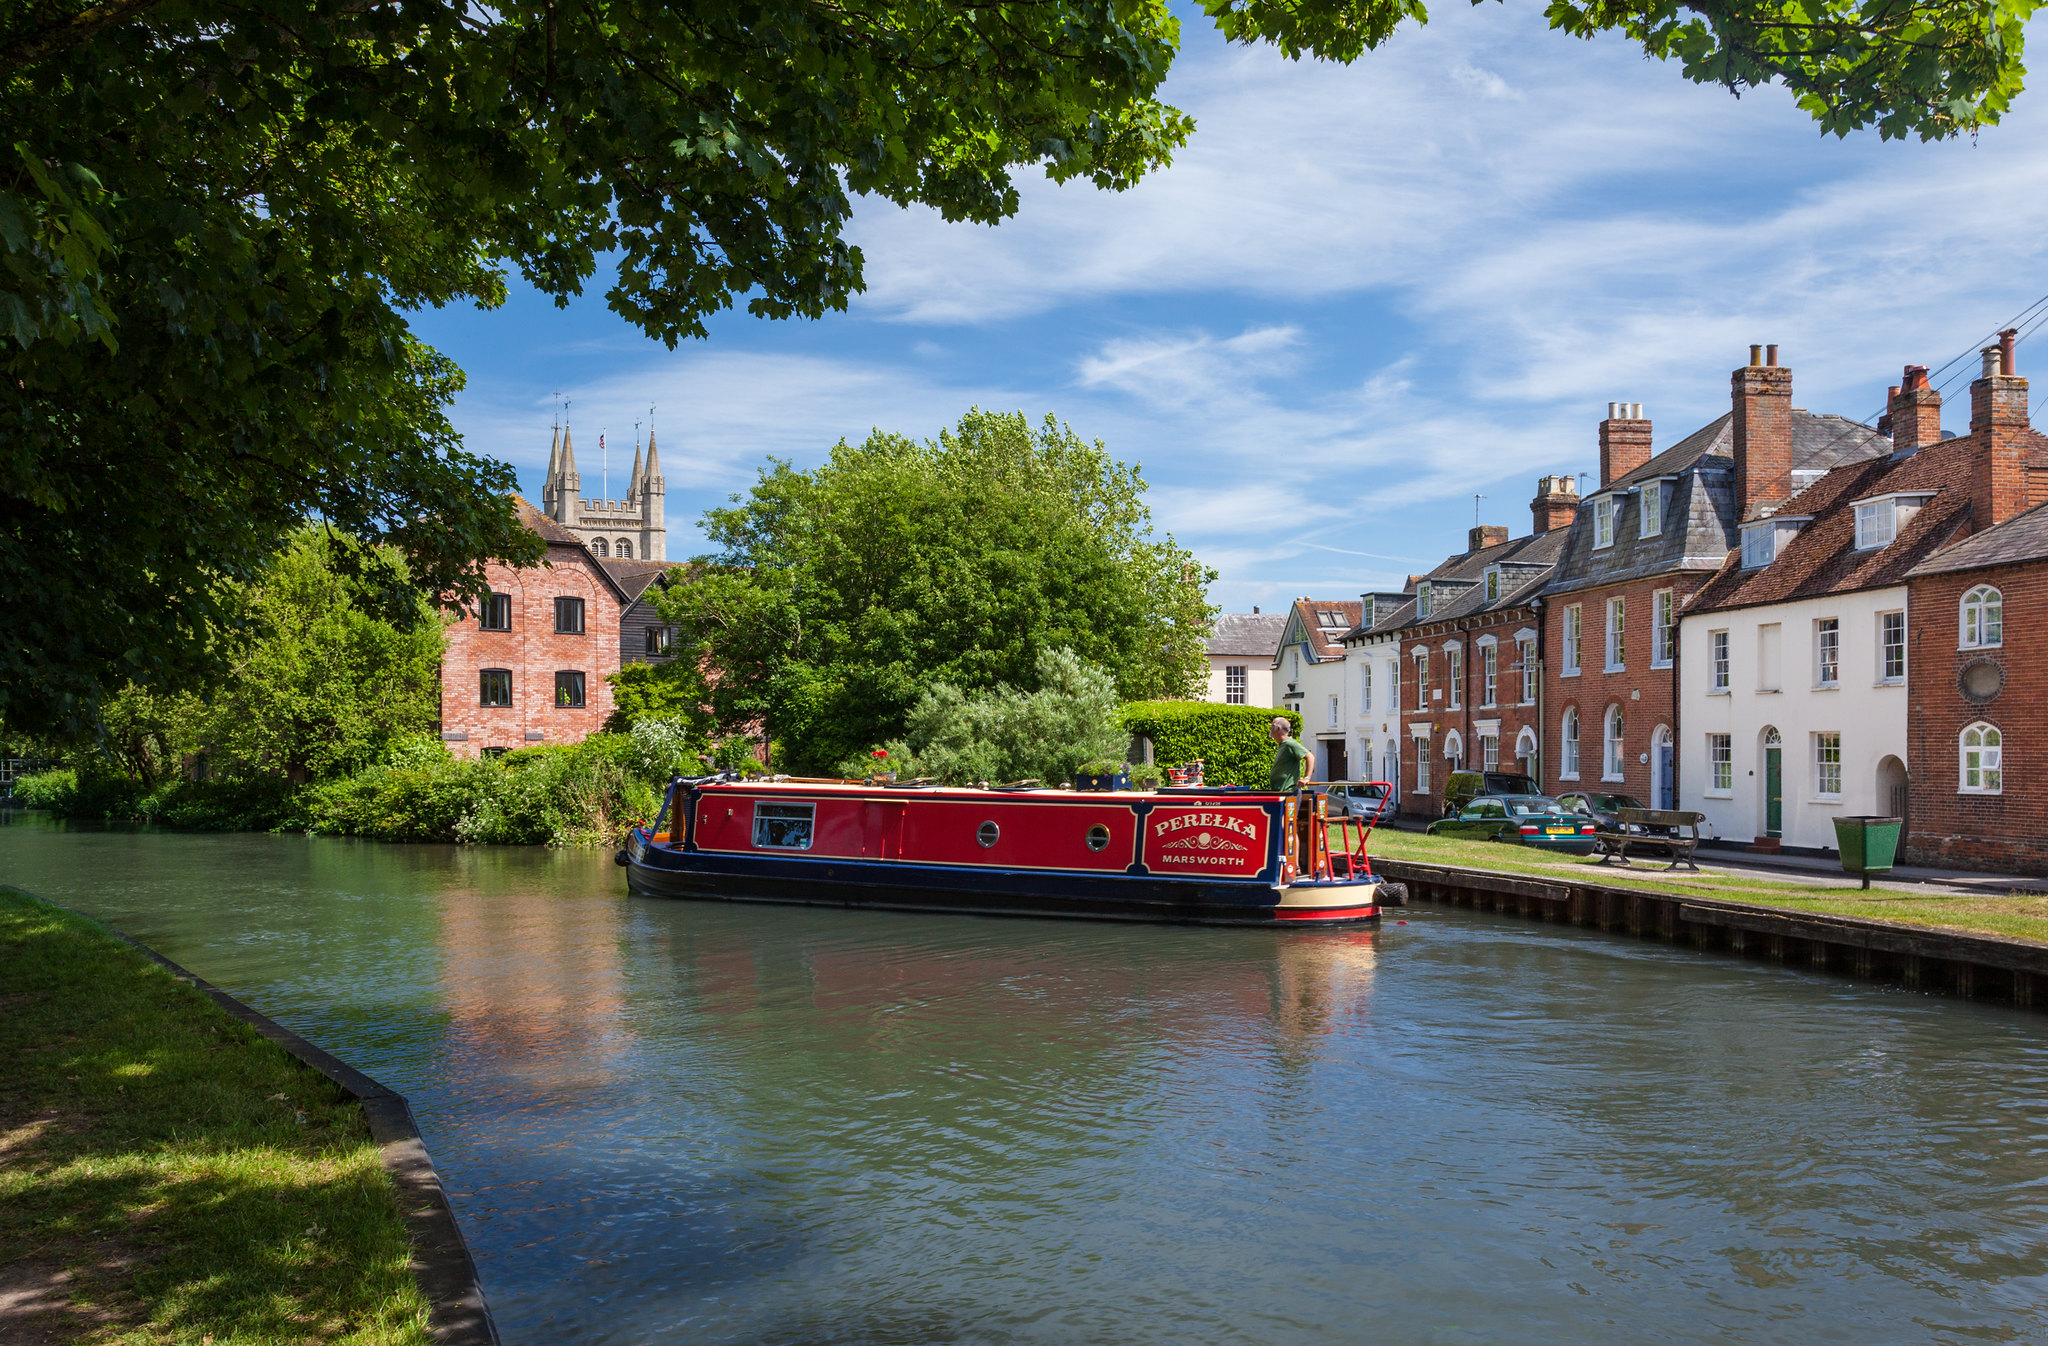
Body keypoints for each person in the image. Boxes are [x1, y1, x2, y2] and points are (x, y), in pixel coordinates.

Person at [1267, 717, 1312, 793]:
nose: (1270, 729)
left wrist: (1306, 778)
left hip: (1289, 792)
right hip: (1281, 792)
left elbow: (1310, 757)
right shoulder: (1283, 745)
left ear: (1278, 728)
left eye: (1272, 726)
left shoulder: (1290, 743)